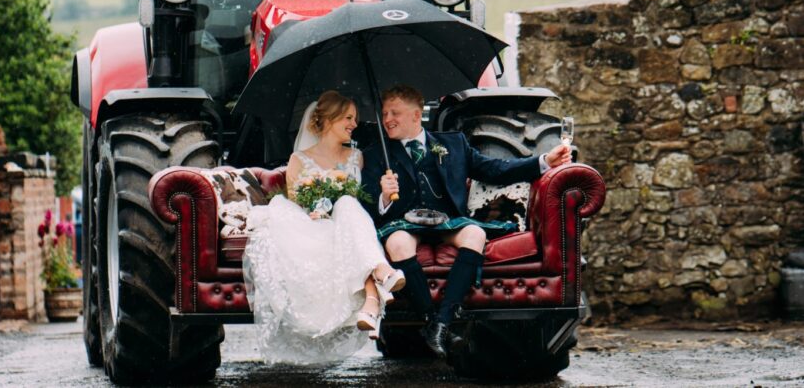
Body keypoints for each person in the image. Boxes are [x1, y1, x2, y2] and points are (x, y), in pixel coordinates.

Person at [361, 85, 572, 358]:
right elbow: (367, 203)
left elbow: (494, 169)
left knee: (474, 234)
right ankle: (430, 320)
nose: (387, 118)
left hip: (447, 220)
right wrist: (384, 195)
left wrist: (543, 161)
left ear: (416, 115)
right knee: (398, 243)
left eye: (395, 113)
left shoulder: (453, 143)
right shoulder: (378, 153)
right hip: (403, 222)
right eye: (385, 112)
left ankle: (443, 320)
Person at [243, 90, 405, 364]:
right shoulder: (298, 160)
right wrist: (316, 212)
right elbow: (297, 204)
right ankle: (376, 283)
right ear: (329, 119)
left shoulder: (357, 157)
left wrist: (385, 193)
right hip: (315, 227)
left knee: (348, 205)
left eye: (355, 118)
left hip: (351, 223)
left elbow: (364, 200)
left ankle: (371, 298)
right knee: (345, 211)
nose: (354, 124)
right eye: (348, 117)